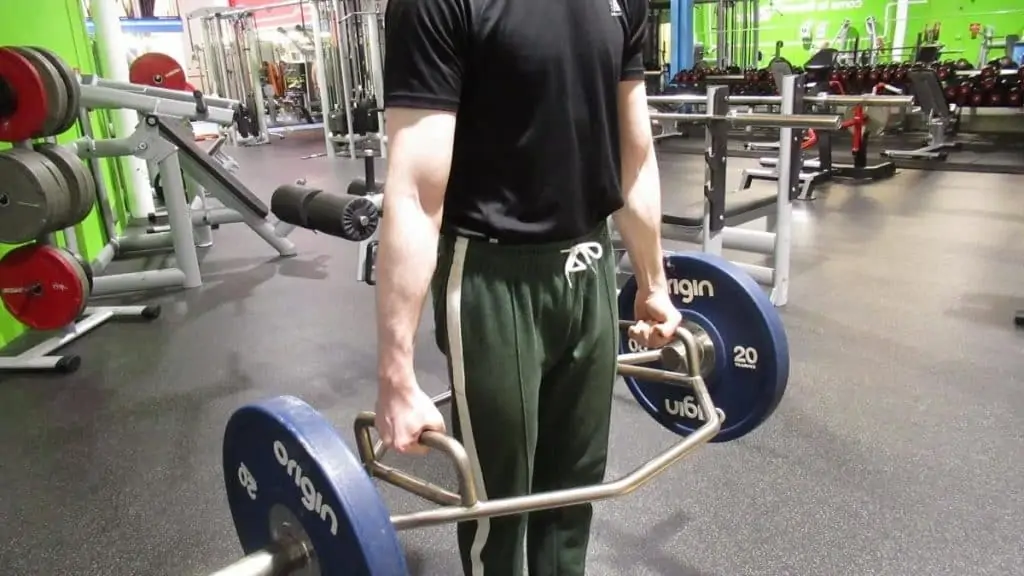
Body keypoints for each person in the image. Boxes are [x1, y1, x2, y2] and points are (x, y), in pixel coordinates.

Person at [372, 0, 682, 574]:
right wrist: (396, 375)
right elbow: (415, 192)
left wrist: (654, 282)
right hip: (492, 280)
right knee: (498, 506)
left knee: (574, 497)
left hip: (589, 265)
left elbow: (633, 157)